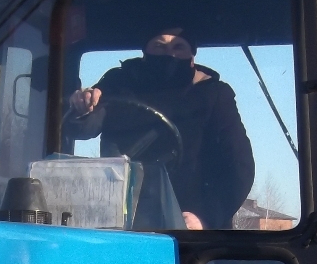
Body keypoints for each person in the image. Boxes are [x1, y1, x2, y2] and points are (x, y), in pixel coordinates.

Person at [66, 27, 255, 230]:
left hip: (191, 226)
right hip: (123, 217)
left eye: (178, 46)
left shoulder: (215, 95)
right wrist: (82, 106)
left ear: (192, 56)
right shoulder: (118, 83)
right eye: (159, 45)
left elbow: (239, 166)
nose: (169, 53)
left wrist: (206, 218)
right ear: (145, 51)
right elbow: (84, 127)